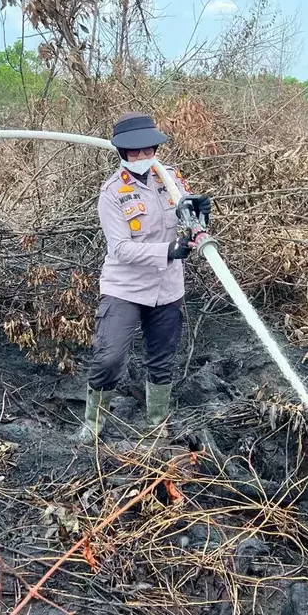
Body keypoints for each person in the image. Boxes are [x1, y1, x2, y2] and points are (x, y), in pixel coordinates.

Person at [76, 112, 212, 442]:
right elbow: (121, 248)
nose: (142, 157)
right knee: (109, 358)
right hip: (125, 287)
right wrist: (170, 251)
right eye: (134, 152)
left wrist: (200, 214)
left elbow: (187, 216)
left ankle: (157, 423)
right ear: (122, 153)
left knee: (162, 359)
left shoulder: (172, 179)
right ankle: (94, 421)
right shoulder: (111, 193)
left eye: (148, 149)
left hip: (167, 287)